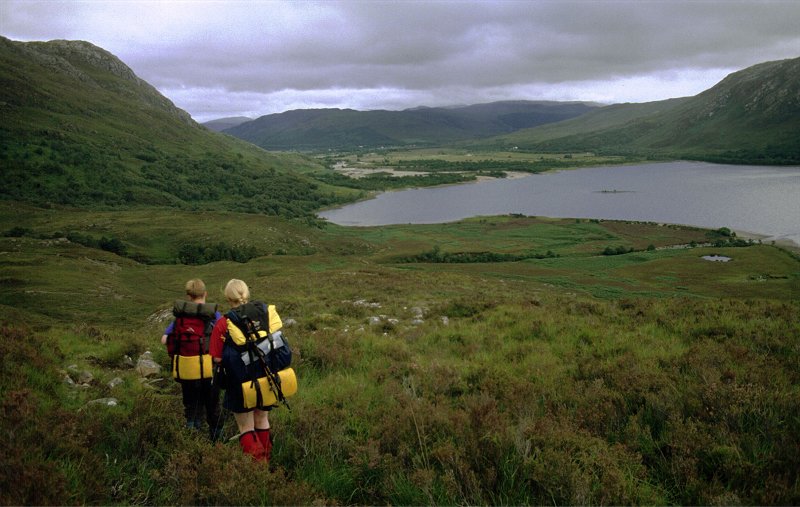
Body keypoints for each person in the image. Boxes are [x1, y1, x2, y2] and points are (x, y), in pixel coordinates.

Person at [209, 278, 288, 462]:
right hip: (267, 377)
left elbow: (217, 357)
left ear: (228, 298)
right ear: (247, 294)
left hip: (240, 383)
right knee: (262, 419)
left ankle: (257, 469)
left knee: (246, 427)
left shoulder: (224, 323)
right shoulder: (264, 313)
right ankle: (267, 463)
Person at [162, 279, 224, 441]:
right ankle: (217, 442)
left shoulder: (180, 317)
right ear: (205, 294)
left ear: (188, 296)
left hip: (187, 369)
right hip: (209, 370)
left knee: (191, 406)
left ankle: (191, 439)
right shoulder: (214, 315)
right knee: (213, 407)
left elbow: (165, 339)